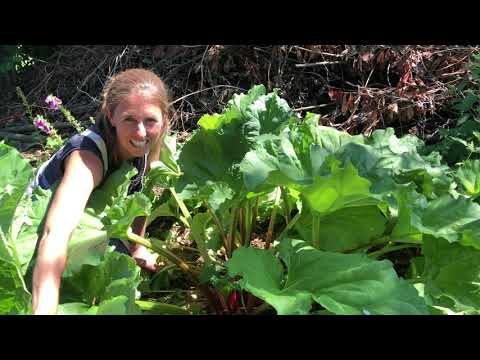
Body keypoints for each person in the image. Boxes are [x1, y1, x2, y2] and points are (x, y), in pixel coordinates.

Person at [30, 68, 170, 315]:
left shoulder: (150, 142)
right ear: (110, 116)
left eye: (150, 120)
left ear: (164, 119)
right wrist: (44, 311)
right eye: (129, 119)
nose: (140, 132)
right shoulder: (87, 158)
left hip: (91, 217)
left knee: (118, 263)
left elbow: (142, 194)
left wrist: (139, 246)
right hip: (34, 226)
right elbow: (55, 234)